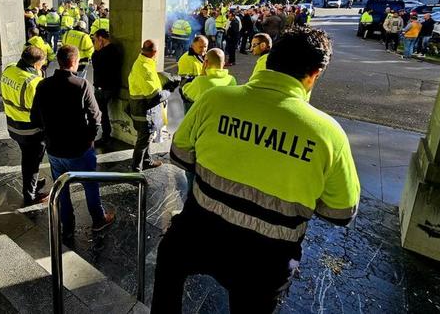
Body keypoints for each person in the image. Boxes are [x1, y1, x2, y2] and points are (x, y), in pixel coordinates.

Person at [152, 28, 360, 313]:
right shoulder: (329, 135)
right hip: (267, 261)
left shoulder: (215, 100)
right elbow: (341, 211)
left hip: (200, 236)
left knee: (169, 260)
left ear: (270, 58)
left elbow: (180, 154)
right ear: (315, 74)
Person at [31, 45, 115, 240]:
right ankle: (98, 219)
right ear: (74, 62)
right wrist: (89, 139)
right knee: (90, 184)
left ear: (59, 62)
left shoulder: (42, 85)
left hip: (54, 149)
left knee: (62, 188)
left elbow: (35, 118)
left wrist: (48, 136)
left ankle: (67, 225)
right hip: (79, 149)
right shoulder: (82, 85)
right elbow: (96, 117)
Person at [0, 46, 48, 206]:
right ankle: (30, 195)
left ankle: (32, 182)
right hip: (31, 131)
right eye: (42, 64)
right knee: (31, 161)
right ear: (36, 64)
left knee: (27, 158)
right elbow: (42, 113)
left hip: (13, 125)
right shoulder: (34, 83)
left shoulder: (8, 69)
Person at [128, 40, 180, 171]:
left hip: (141, 108)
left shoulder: (143, 62)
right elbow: (155, 97)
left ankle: (146, 161)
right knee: (143, 141)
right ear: (155, 52)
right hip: (144, 111)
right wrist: (169, 91)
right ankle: (136, 169)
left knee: (146, 136)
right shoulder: (145, 68)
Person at [91, 29, 123, 143]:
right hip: (113, 86)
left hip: (103, 87)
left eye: (95, 40)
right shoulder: (115, 50)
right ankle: (106, 135)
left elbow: (95, 64)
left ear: (101, 39)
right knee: (103, 112)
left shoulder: (100, 53)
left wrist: (96, 51)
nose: (94, 43)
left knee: (101, 113)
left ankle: (105, 136)